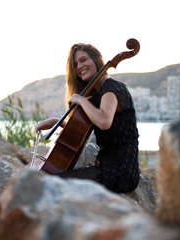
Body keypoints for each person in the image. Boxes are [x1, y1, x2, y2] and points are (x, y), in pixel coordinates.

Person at [35, 43, 140, 193]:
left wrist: (81, 100)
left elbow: (104, 122)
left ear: (96, 60)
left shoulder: (112, 88)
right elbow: (84, 127)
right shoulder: (98, 95)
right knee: (52, 179)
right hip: (108, 167)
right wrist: (57, 122)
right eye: (76, 64)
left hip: (121, 171)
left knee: (52, 183)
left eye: (83, 60)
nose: (79, 66)